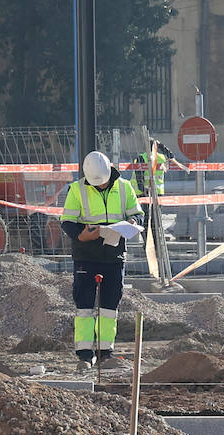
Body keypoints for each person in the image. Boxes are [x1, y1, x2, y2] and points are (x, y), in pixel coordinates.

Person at [60, 150, 143, 369]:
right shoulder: (77, 189)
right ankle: (85, 355)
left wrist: (133, 220)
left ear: (110, 172)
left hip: (114, 254)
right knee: (84, 306)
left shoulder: (124, 187)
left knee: (109, 306)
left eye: (102, 183)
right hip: (86, 255)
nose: (99, 186)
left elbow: (138, 213)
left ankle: (106, 352)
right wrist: (81, 235)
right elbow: (67, 221)